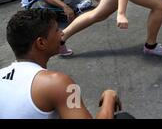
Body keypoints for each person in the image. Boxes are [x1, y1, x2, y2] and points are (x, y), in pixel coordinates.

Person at [0, 9, 128, 119]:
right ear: (41, 43)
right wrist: (109, 98)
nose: (61, 33)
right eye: (56, 30)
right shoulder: (56, 82)